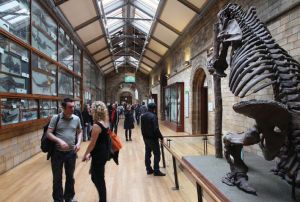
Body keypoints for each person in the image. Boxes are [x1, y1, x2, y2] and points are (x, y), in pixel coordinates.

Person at [47, 98, 83, 202]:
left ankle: (69, 197)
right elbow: (48, 133)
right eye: (70, 107)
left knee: (70, 177)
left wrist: (79, 142)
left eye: (73, 106)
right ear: (63, 107)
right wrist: (59, 141)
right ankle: (58, 199)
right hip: (57, 153)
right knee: (57, 178)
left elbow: (79, 131)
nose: (73, 109)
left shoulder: (76, 119)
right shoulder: (56, 118)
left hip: (71, 153)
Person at [82, 101, 111, 202]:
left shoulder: (96, 125)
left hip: (99, 154)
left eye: (91, 108)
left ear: (95, 111)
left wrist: (85, 154)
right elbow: (100, 141)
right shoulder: (105, 122)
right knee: (96, 177)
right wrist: (91, 154)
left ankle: (103, 200)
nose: (89, 109)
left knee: (98, 179)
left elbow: (92, 143)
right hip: (101, 153)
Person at [141, 103, 165, 176]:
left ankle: (148, 169)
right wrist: (161, 137)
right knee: (157, 154)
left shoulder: (143, 116)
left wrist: (144, 136)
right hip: (152, 139)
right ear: (154, 108)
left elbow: (142, 128)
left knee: (147, 153)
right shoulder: (153, 116)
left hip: (146, 138)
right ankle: (156, 170)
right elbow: (156, 129)